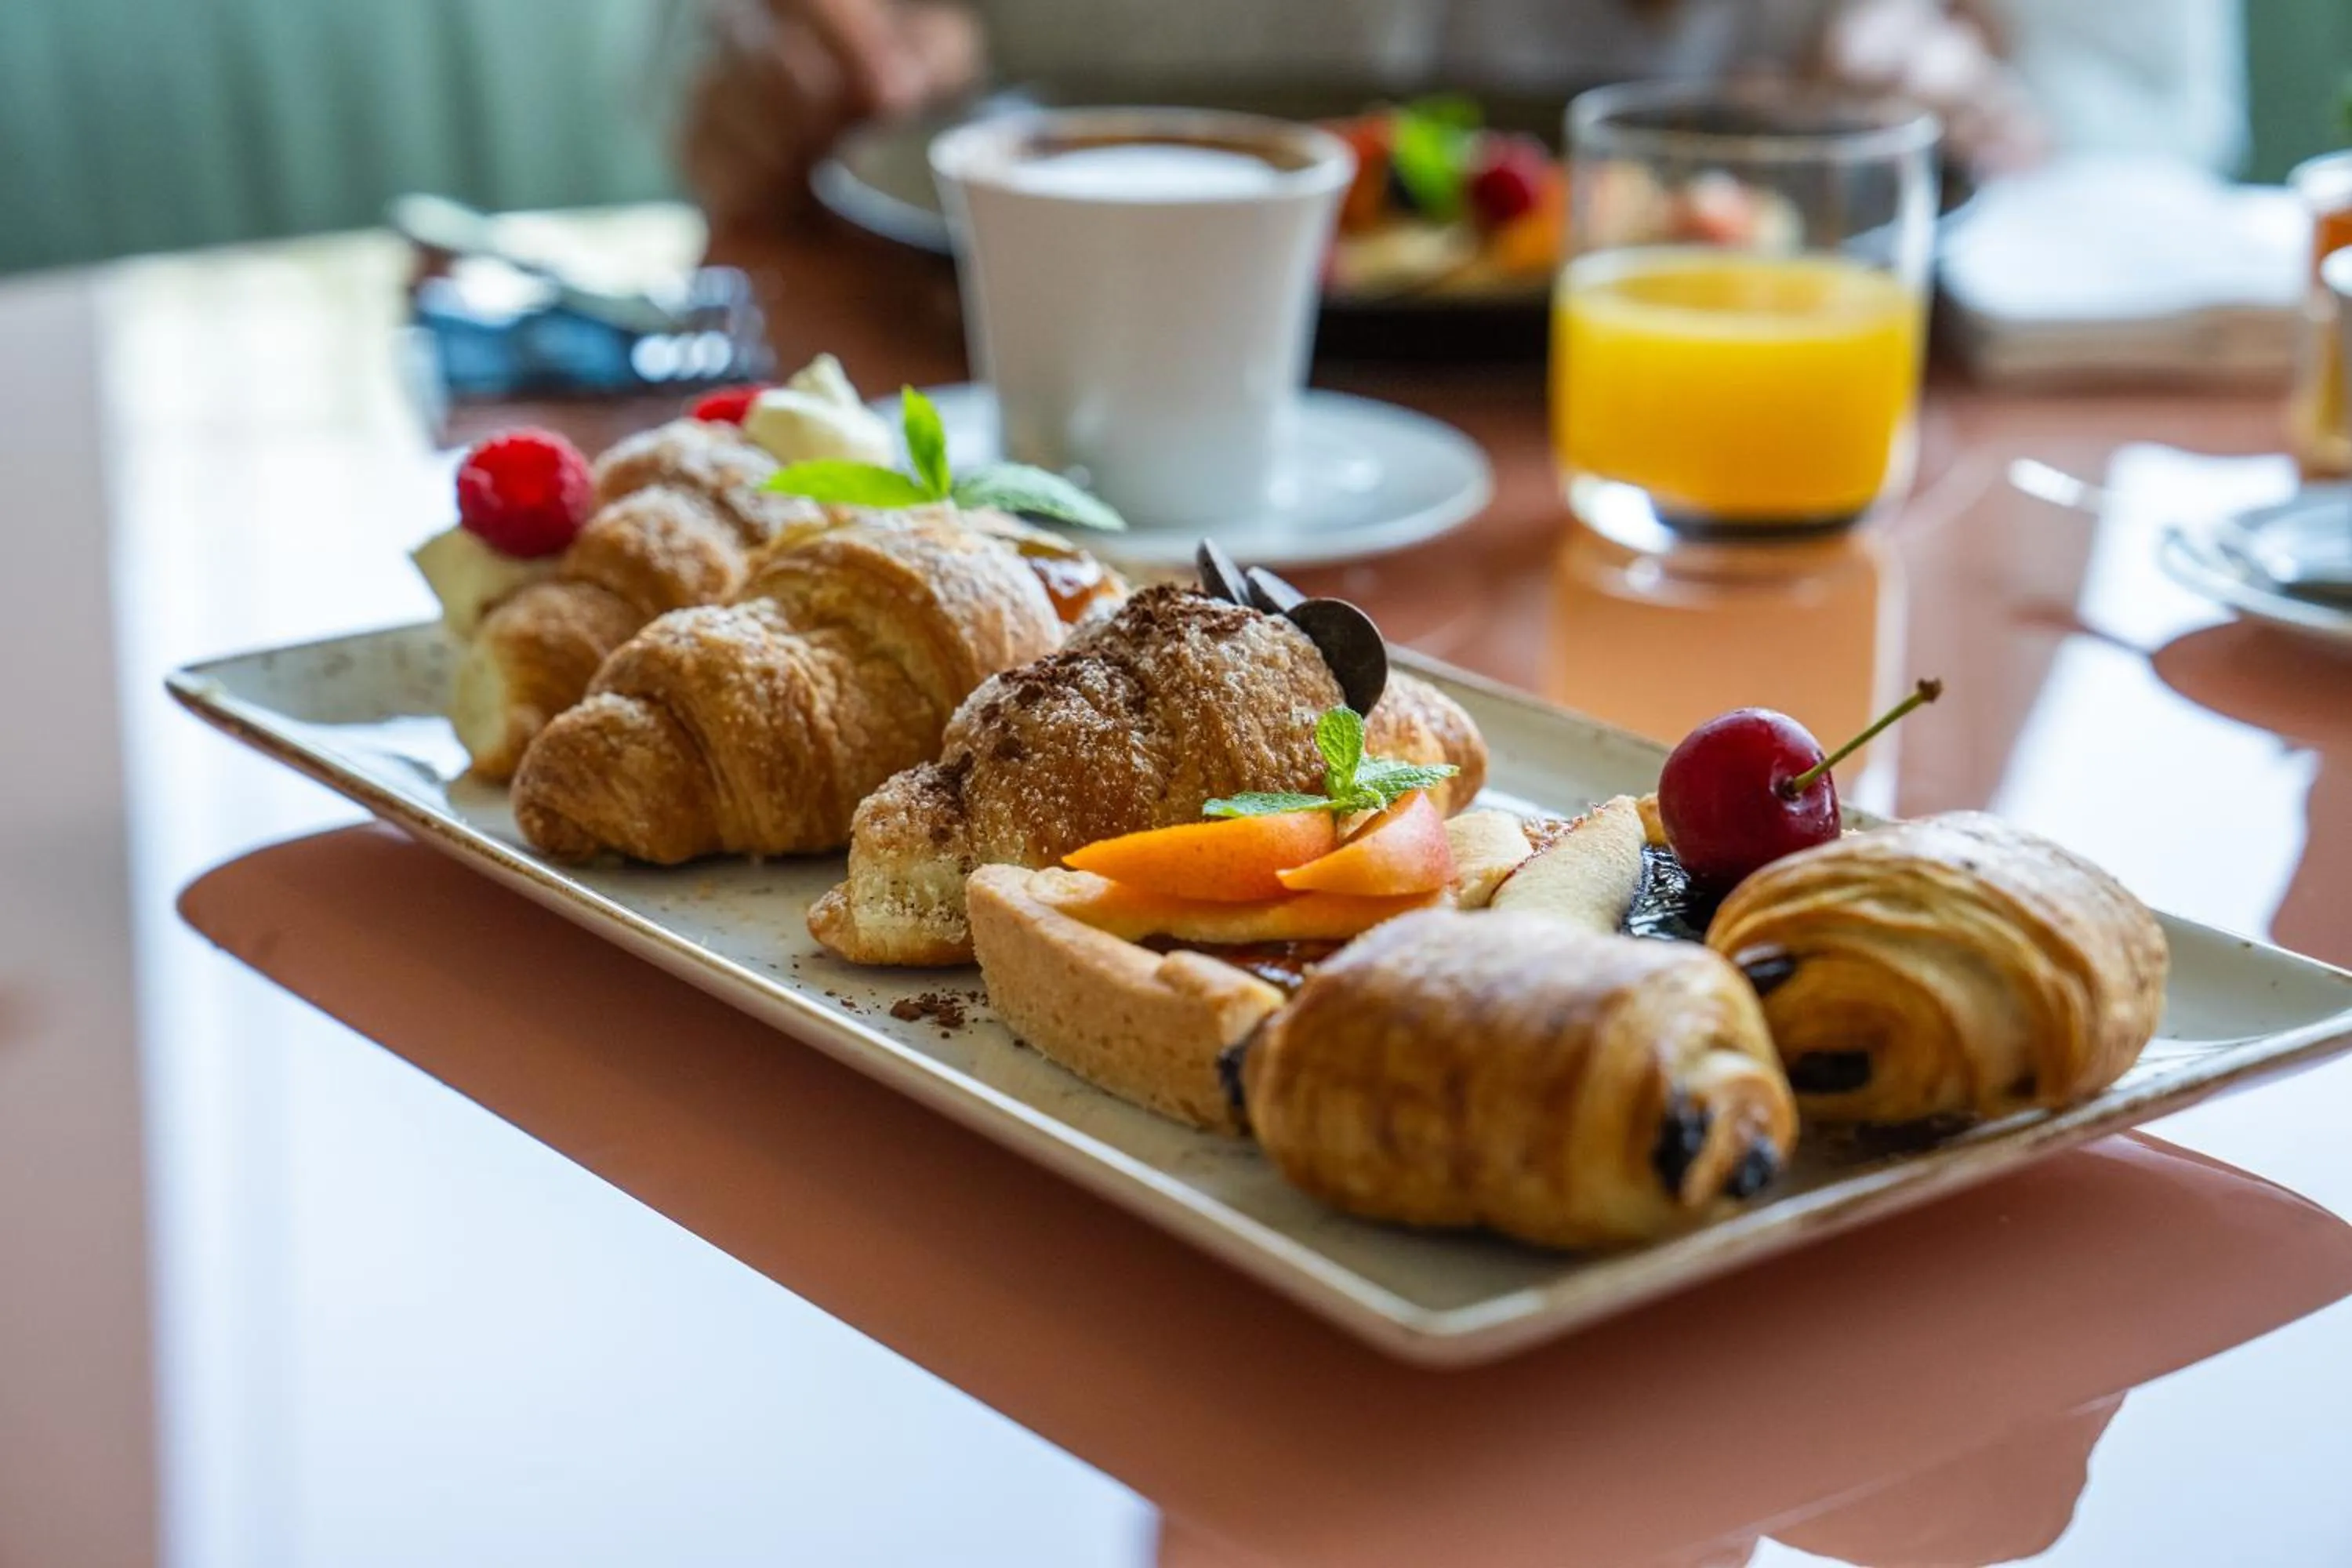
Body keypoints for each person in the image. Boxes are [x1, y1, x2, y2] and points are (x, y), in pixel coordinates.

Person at [674, 0, 2239, 235]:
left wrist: (1980, 77)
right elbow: (731, 73)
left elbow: (2135, 156)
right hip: (1034, 379)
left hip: (1735, 492)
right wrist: (780, 61)